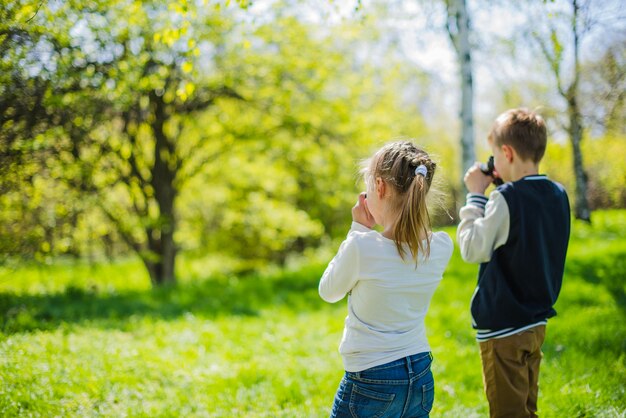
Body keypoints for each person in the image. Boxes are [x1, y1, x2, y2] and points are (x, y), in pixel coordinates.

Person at [319, 141, 453, 418]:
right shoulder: (441, 247)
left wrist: (358, 229)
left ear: (379, 187)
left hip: (371, 379)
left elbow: (328, 291)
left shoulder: (362, 247)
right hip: (420, 374)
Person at [457, 108, 570, 418]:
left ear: (506, 153)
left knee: (508, 413)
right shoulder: (558, 194)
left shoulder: (504, 199)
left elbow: (471, 248)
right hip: (536, 321)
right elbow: (522, 226)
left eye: (495, 155)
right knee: (527, 409)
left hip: (503, 327)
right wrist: (501, 187)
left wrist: (476, 195)